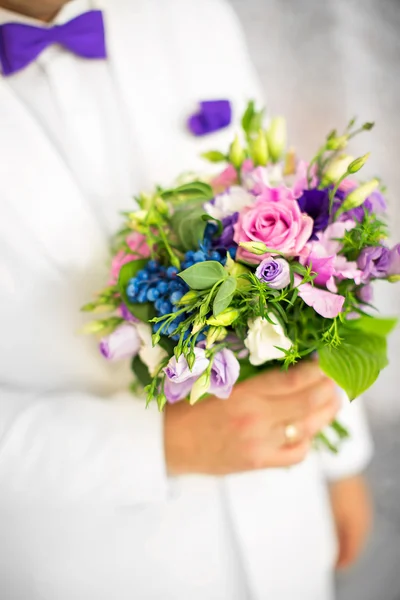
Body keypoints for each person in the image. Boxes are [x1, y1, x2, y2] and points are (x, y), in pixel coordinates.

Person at [0, 1, 373, 599]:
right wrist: (161, 445)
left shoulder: (188, 10)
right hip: (93, 560)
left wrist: (341, 458)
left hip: (284, 519)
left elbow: (289, 225)